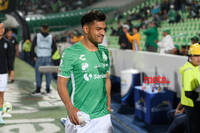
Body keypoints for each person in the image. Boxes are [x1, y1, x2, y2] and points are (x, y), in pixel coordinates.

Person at [57, 10, 113, 133]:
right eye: (98, 29)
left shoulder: (104, 52)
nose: (103, 33)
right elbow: (61, 84)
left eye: (104, 29)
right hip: (81, 117)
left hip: (103, 116)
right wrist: (70, 108)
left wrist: (108, 101)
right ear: (86, 29)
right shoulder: (70, 53)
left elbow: (106, 78)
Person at [31, 24, 57, 95]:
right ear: (48, 29)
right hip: (48, 57)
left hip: (39, 57)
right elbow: (55, 48)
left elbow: (32, 46)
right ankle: (47, 89)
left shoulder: (37, 36)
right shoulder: (50, 37)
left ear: (41, 28)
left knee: (38, 74)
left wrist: (34, 56)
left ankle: (38, 89)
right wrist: (50, 54)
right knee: (48, 74)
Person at [179, 43, 200, 133]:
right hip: (192, 105)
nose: (199, 58)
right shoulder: (188, 70)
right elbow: (188, 93)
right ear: (190, 56)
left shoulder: (197, 67)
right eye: (196, 55)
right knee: (193, 129)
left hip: (195, 103)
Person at [0, 23, 13, 124]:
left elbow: (10, 59)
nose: (1, 30)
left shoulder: (7, 43)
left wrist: (11, 71)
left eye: (2, 28)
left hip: (3, 72)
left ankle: (0, 116)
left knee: (1, 95)